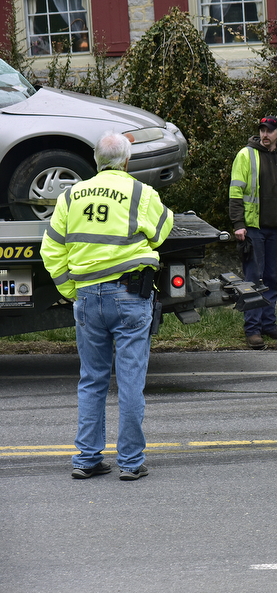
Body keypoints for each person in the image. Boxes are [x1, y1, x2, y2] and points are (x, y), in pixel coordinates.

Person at [40, 132, 174, 481]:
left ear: (96, 161)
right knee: (130, 381)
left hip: (87, 298)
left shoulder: (70, 196)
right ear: (126, 162)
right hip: (130, 296)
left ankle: (86, 459)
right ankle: (130, 463)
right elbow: (161, 231)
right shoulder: (141, 193)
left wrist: (72, 289)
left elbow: (51, 250)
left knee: (92, 379)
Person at [229, 115, 277, 350]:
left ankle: (268, 325)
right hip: (253, 228)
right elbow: (235, 193)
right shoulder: (246, 155)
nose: (265, 134)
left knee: (271, 279)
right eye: (262, 130)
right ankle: (253, 330)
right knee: (253, 279)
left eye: (269, 131)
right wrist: (238, 224)